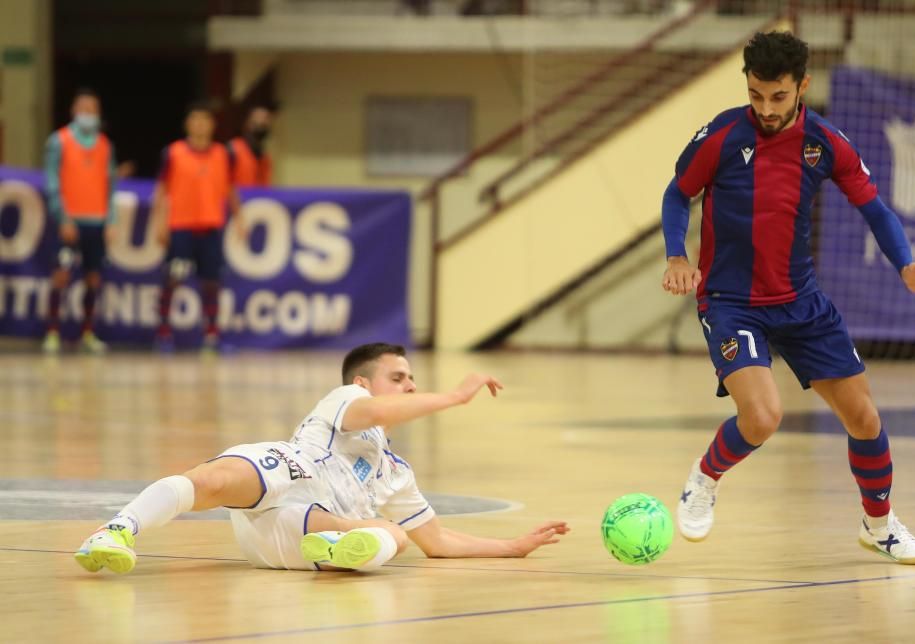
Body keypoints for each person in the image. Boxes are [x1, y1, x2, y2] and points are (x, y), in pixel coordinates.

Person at [660, 32, 915, 565]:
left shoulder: (826, 142)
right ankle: (704, 478)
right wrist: (676, 256)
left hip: (802, 301)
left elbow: (875, 209)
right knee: (762, 417)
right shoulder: (723, 136)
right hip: (732, 302)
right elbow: (677, 192)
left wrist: (905, 267)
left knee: (864, 419)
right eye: (756, 95)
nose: (766, 109)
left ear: (801, 86)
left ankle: (880, 526)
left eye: (778, 97)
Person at [75, 343, 569, 574]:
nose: (411, 386)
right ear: (362, 383)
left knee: (394, 533)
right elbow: (380, 409)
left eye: (412, 379)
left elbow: (437, 542)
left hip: (298, 534)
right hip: (290, 475)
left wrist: (513, 547)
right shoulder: (343, 402)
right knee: (217, 477)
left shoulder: (395, 472)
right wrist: (454, 397)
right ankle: (117, 531)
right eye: (399, 377)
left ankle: (337, 551)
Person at [151, 102, 242, 352]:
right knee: (173, 279)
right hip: (181, 227)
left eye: (205, 119)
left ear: (212, 125)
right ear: (187, 124)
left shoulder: (223, 154)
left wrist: (240, 218)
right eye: (195, 119)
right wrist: (158, 223)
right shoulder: (174, 153)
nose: (200, 124)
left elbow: (230, 189)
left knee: (211, 283)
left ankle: (211, 336)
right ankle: (163, 333)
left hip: (211, 228)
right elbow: (161, 190)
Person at [42, 88, 117, 354]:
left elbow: (111, 185)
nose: (88, 113)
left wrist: (111, 220)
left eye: (93, 109)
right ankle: (52, 331)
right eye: (83, 108)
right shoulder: (59, 141)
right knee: (61, 275)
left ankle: (88, 332)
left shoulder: (105, 145)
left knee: (93, 278)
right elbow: (51, 182)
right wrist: (62, 217)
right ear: (74, 111)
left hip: (96, 223)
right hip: (69, 221)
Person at [228, 105, 273, 187]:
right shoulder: (233, 148)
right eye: (258, 119)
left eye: (265, 120)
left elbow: (265, 186)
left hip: (257, 199)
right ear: (248, 123)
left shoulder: (265, 157)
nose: (262, 122)